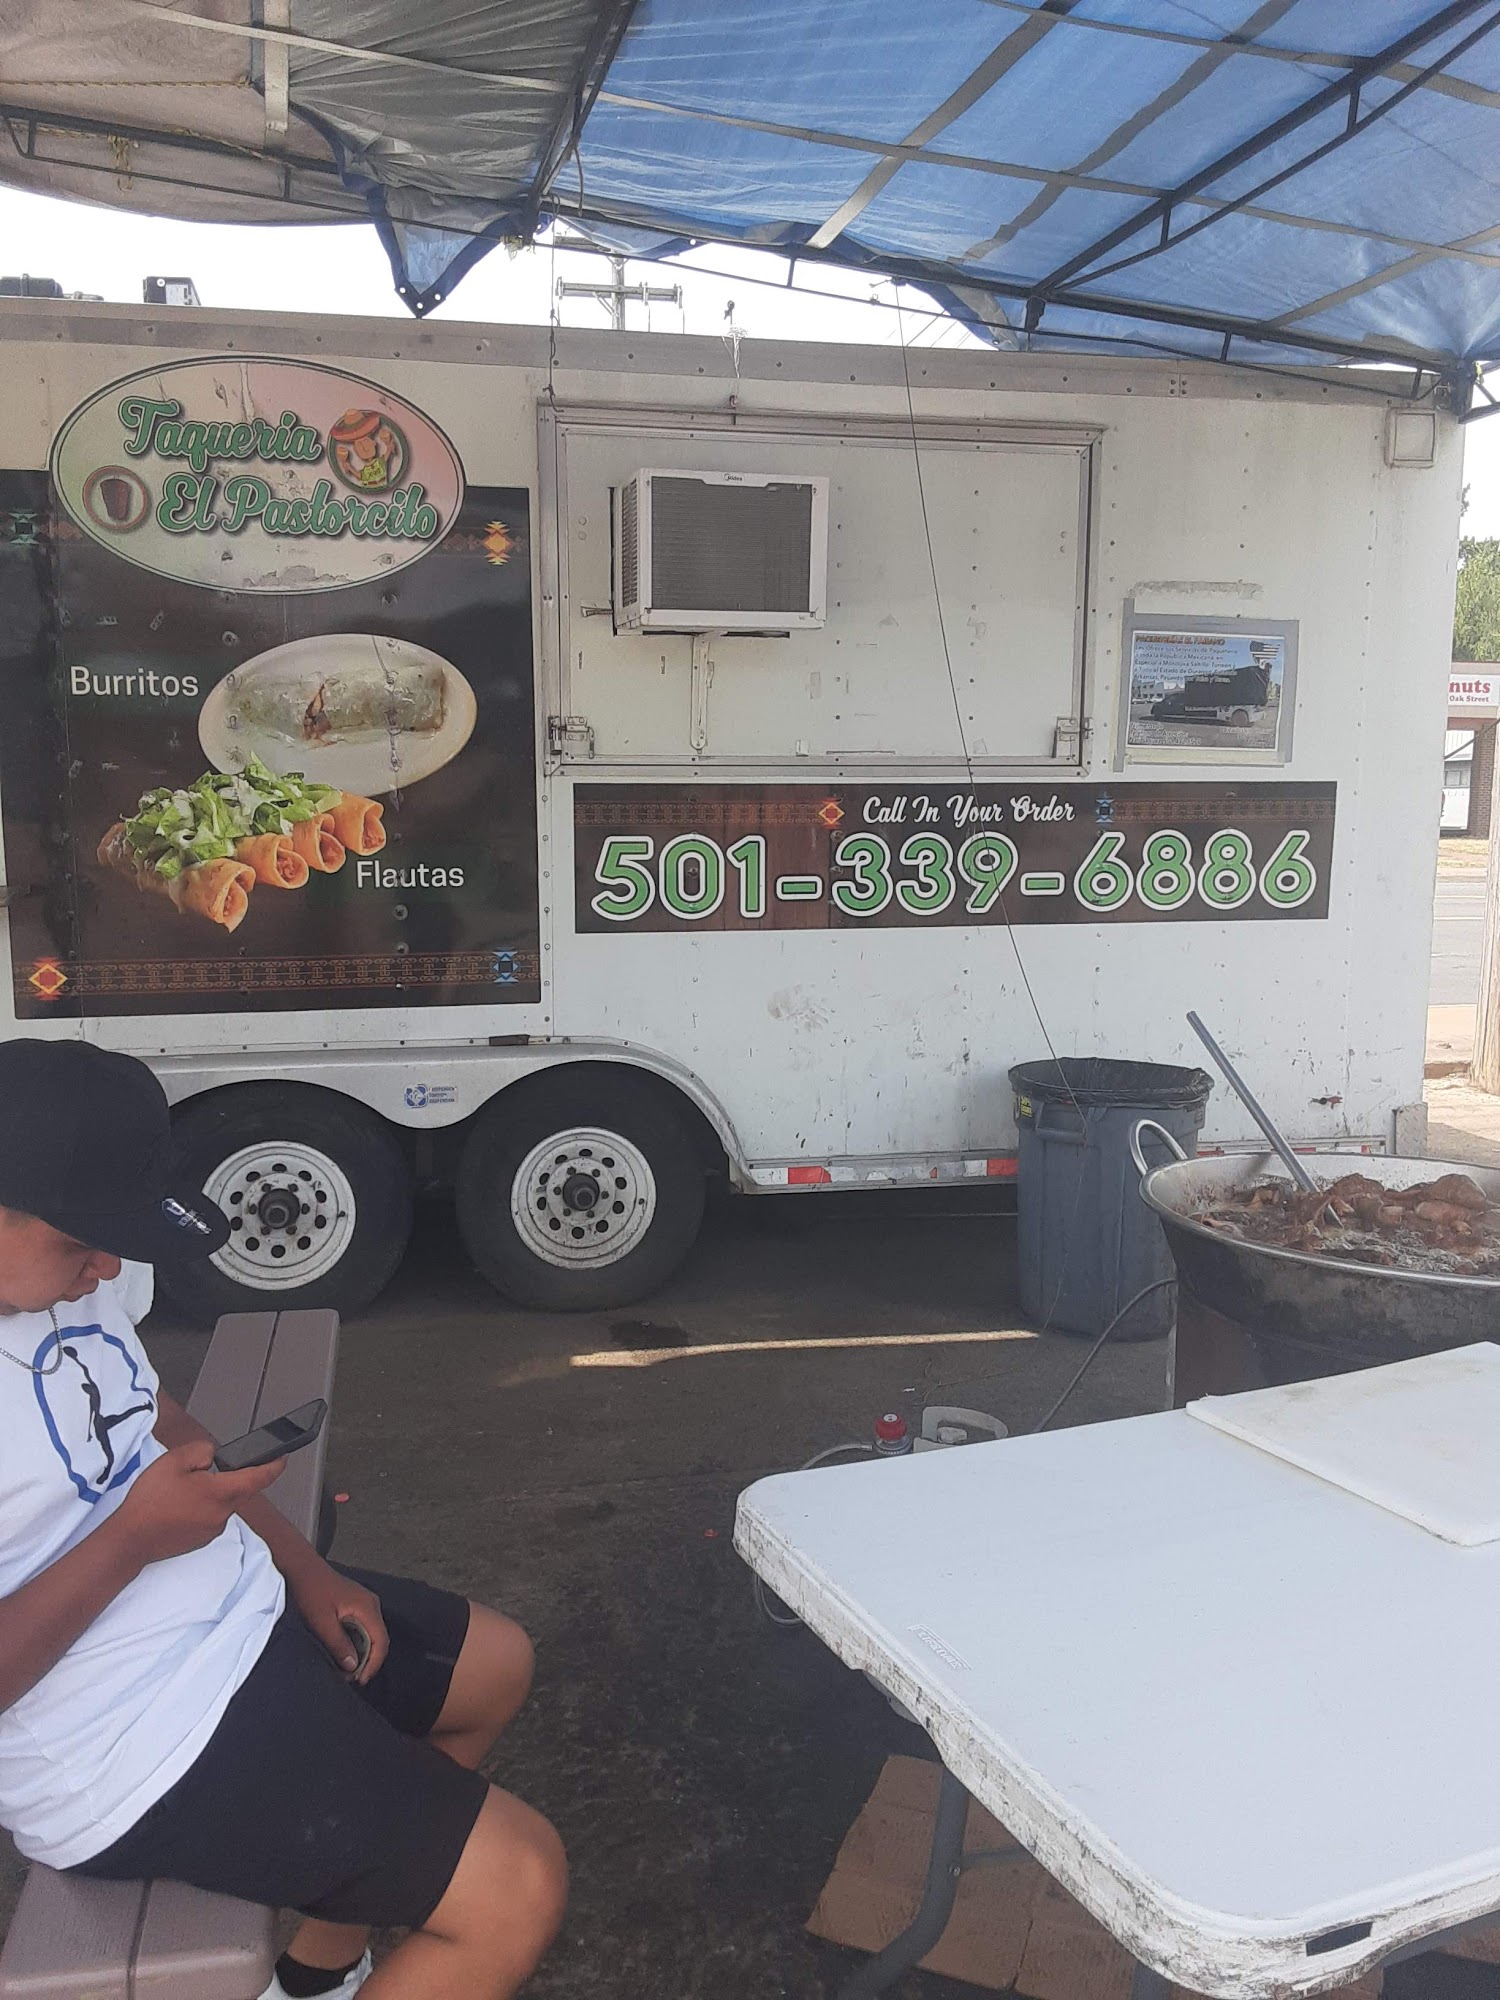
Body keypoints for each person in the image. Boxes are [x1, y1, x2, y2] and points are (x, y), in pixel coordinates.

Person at [0, 1039, 566, 2000]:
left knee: (495, 1665)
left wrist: (308, 1571)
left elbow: (155, 1416)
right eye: (80, 1241)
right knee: (518, 1887)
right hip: (126, 1740)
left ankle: (317, 1973)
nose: (108, 1266)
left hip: (230, 1613)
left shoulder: (61, 1283)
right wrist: (133, 1539)